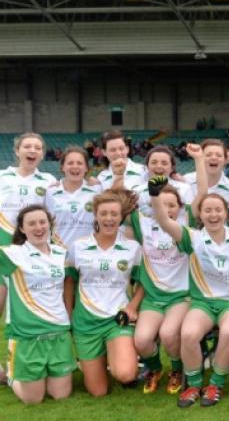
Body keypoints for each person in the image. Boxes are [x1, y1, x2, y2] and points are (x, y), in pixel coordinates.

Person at [151, 181, 229, 408]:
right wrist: (154, 194)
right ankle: (193, 384)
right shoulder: (193, 237)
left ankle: (215, 384)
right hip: (202, 302)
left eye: (218, 210)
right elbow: (164, 221)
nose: (213, 215)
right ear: (199, 215)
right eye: (207, 210)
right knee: (189, 334)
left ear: (225, 212)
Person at [128, 143, 207, 395]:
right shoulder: (142, 222)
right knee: (141, 340)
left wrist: (199, 159)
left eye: (172, 204)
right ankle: (154, 368)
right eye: (162, 204)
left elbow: (203, 194)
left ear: (180, 207)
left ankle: (176, 369)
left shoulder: (186, 224)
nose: (167, 209)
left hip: (181, 296)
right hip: (153, 296)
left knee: (169, 334)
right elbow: (116, 201)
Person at [65, 190, 143, 396]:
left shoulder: (132, 248)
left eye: (114, 214)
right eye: (104, 213)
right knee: (98, 391)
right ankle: (104, 358)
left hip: (117, 320)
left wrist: (132, 307)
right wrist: (68, 314)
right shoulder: (78, 247)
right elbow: (70, 281)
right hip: (86, 323)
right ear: (96, 215)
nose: (109, 218)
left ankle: (119, 356)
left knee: (126, 374)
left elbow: (143, 283)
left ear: (121, 217)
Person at [1, 205, 75, 404]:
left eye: (42, 222)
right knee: (33, 399)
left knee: (60, 395)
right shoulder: (13, 254)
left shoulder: (61, 252)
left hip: (58, 332)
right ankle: (10, 375)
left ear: (49, 224)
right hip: (28, 335)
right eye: (31, 223)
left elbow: (69, 283)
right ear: (22, 229)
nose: (38, 227)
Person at [0, 133, 57, 245]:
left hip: (34, 241)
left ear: (42, 155)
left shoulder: (49, 180)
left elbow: (52, 215)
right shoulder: (2, 176)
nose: (32, 150)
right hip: (4, 237)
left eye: (38, 148)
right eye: (27, 147)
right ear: (17, 151)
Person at [45, 146, 101, 249]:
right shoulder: (51, 192)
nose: (75, 166)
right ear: (62, 167)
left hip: (89, 253)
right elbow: (47, 225)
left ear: (86, 168)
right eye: (70, 163)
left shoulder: (97, 190)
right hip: (60, 253)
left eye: (80, 163)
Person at [184, 139, 229, 227]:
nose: (213, 158)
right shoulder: (186, 181)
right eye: (208, 155)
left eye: (219, 155)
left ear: (225, 160)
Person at [130, 145, 193, 219]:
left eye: (164, 163)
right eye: (154, 162)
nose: (159, 166)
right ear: (147, 166)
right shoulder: (137, 192)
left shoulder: (184, 189)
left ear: (172, 167)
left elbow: (189, 218)